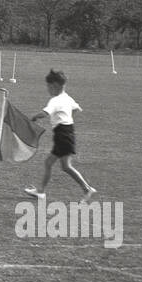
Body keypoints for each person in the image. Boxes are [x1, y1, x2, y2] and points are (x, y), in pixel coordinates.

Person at [25, 69, 97, 200]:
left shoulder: (55, 100)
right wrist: (66, 118)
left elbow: (45, 113)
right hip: (66, 132)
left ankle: (87, 188)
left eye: (48, 86)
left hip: (62, 135)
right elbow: (77, 109)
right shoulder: (67, 98)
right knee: (54, 164)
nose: (47, 89)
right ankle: (41, 191)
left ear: (55, 86)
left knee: (64, 166)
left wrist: (34, 117)